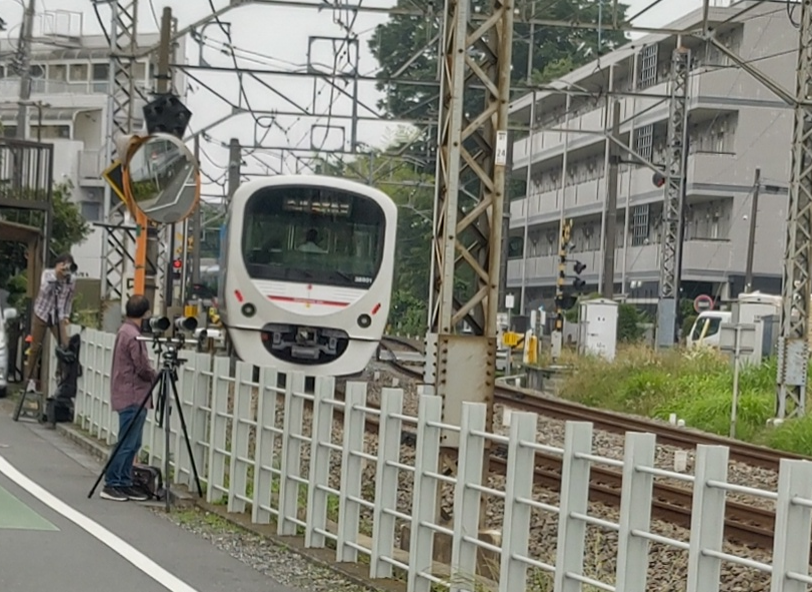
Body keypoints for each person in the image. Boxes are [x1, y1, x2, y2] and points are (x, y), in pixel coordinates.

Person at [100, 294, 156, 502]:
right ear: (146, 313)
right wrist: (154, 373)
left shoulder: (125, 330)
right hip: (133, 394)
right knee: (127, 442)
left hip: (128, 393)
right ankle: (113, 482)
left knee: (132, 442)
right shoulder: (134, 336)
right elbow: (141, 366)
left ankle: (123, 481)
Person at [25, 254, 77, 391]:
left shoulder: (71, 280)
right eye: (64, 265)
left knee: (64, 345)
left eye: (69, 265)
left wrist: (66, 315)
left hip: (57, 315)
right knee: (35, 347)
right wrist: (57, 276)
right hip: (41, 313)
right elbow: (44, 290)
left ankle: (60, 376)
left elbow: (68, 299)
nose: (66, 269)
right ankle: (30, 380)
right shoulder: (48, 274)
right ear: (57, 264)